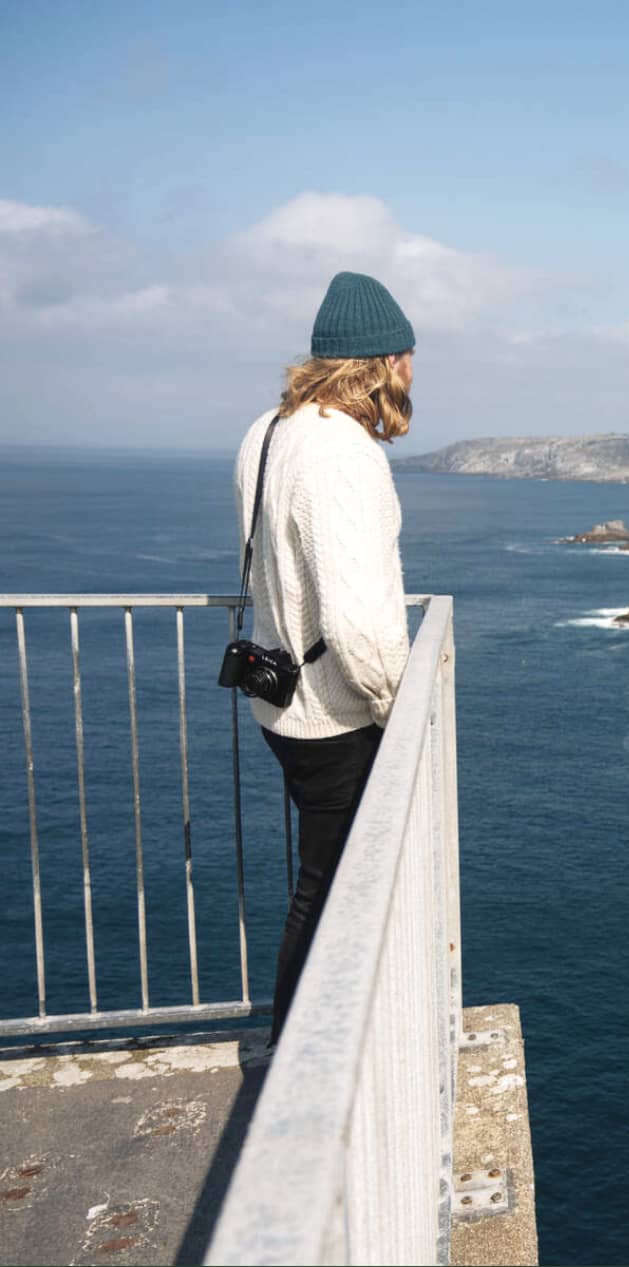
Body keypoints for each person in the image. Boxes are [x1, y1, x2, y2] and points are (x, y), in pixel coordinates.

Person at [233, 270, 416, 1043]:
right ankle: (305, 1058)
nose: (414, 374)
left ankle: (310, 1047)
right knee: (333, 892)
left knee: (322, 883)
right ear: (378, 365)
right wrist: (399, 710)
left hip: (280, 698)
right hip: (334, 715)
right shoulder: (344, 454)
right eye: (408, 358)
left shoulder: (268, 428)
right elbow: (356, 621)